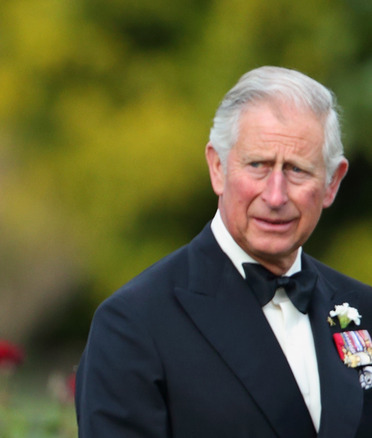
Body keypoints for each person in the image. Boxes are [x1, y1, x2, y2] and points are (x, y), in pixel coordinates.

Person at [75, 66, 372, 437]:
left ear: (332, 183)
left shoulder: (366, 309)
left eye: (296, 170)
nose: (275, 195)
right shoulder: (134, 325)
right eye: (258, 165)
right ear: (218, 167)